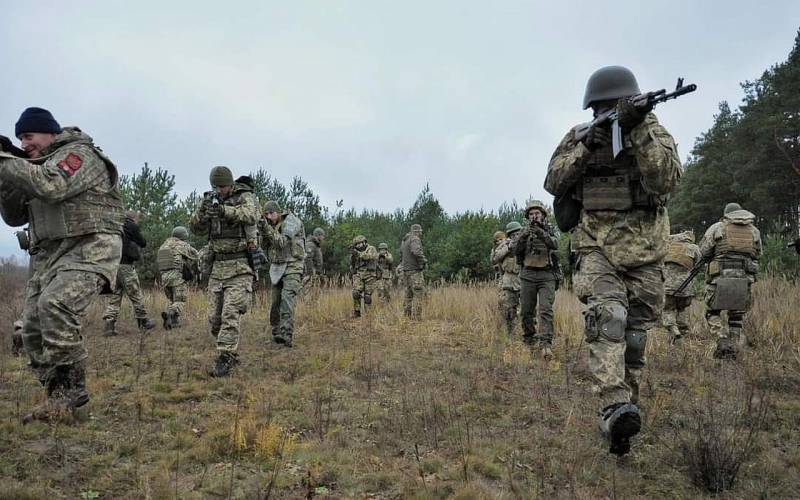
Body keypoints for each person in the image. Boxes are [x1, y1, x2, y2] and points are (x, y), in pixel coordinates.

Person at [544, 66, 682, 455]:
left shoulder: (654, 133)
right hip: (596, 247)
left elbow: (666, 181)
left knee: (635, 339)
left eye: (615, 107)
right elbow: (553, 181)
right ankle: (613, 403)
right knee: (609, 320)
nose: (608, 113)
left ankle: (623, 419)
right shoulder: (579, 137)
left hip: (646, 252)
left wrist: (636, 129)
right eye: (601, 109)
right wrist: (587, 147)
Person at [0, 107, 126, 422]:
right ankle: (58, 398)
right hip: (49, 255)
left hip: (90, 247)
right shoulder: (33, 165)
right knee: (31, 329)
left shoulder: (79, 155)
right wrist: (7, 175)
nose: (24, 143)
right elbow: (14, 215)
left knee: (55, 305)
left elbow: (51, 185)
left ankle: (72, 389)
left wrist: (6, 160)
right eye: (19, 139)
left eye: (29, 136)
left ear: (50, 132)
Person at [190, 166, 259, 377]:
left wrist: (224, 211)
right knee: (214, 320)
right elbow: (195, 228)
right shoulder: (210, 200)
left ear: (230, 184)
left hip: (240, 266)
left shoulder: (244, 197)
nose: (219, 190)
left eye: (223, 186)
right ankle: (230, 353)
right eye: (216, 186)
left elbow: (251, 215)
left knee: (231, 313)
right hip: (218, 268)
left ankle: (225, 357)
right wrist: (204, 212)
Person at [699, 203, 762, 359]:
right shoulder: (754, 231)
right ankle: (734, 346)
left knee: (712, 312)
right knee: (736, 316)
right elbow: (758, 254)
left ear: (726, 214)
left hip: (720, 278)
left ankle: (722, 340)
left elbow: (703, 251)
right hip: (743, 279)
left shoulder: (717, 228)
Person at [513, 201, 559, 358]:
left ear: (543, 215)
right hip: (528, 275)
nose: (534, 216)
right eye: (531, 214)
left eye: (537, 214)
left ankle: (546, 344)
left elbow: (555, 244)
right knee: (526, 310)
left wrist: (540, 232)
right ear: (528, 216)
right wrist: (525, 235)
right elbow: (514, 250)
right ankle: (529, 340)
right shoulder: (523, 232)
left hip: (547, 275)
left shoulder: (550, 229)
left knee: (546, 309)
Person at [102, 211, 157, 335]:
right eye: (138, 219)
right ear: (134, 218)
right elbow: (143, 242)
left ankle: (109, 326)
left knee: (115, 296)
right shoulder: (130, 225)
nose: (138, 222)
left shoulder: (115, 226)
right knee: (136, 294)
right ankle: (143, 322)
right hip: (126, 266)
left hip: (113, 266)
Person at [262, 200, 305, 346]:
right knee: (275, 301)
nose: (269, 216)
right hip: (277, 266)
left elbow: (281, 243)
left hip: (293, 265)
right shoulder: (270, 225)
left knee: (287, 298)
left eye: (271, 213)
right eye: (266, 214)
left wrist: (265, 228)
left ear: (279, 212)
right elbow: (264, 246)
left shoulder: (291, 221)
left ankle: (286, 334)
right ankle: (276, 331)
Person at [662, 229, 702, 343]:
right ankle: (682, 332)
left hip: (668, 284)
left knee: (668, 309)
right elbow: (699, 265)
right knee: (682, 309)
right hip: (686, 286)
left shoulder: (668, 246)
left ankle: (674, 331)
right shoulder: (693, 248)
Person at [157, 226, 199, 329]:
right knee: (180, 301)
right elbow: (197, 255)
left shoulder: (163, 246)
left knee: (172, 301)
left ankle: (173, 322)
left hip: (164, 278)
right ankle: (169, 313)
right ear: (184, 236)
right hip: (177, 277)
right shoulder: (182, 245)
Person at [491, 223, 522, 336]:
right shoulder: (505, 245)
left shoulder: (525, 243)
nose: (516, 236)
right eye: (513, 234)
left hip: (523, 279)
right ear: (509, 235)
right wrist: (508, 248)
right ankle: (510, 333)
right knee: (508, 309)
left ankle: (525, 333)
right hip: (508, 279)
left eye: (518, 233)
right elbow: (495, 258)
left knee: (526, 309)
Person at [400, 224, 427, 319]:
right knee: (418, 293)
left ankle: (407, 317)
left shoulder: (405, 241)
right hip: (415, 272)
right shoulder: (414, 239)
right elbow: (416, 251)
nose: (421, 233)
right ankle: (417, 317)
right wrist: (423, 261)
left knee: (408, 295)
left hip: (406, 271)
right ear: (417, 231)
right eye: (420, 231)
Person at [350, 235, 378, 317]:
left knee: (367, 296)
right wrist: (352, 272)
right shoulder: (355, 252)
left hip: (370, 275)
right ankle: (357, 312)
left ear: (364, 242)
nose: (358, 245)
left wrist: (357, 253)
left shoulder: (371, 248)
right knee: (355, 293)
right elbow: (352, 264)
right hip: (359, 274)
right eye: (356, 244)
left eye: (359, 243)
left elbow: (370, 256)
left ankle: (368, 314)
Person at [303, 227, 325, 296]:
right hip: (311, 276)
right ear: (318, 235)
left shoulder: (316, 245)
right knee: (309, 294)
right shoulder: (310, 244)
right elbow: (308, 259)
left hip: (316, 275)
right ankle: (308, 306)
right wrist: (311, 274)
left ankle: (313, 306)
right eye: (322, 236)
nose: (323, 238)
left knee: (315, 295)